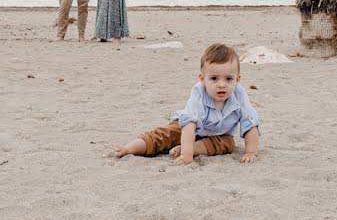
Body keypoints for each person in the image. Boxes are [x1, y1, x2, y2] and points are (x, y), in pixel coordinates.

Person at [111, 43, 260, 164]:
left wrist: (249, 152)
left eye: (228, 79)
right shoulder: (199, 92)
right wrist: (186, 156)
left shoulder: (239, 94)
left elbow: (250, 123)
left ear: (237, 79)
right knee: (164, 135)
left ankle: (189, 148)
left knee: (228, 144)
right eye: (214, 78)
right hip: (188, 127)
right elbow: (189, 125)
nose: (221, 85)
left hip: (217, 135)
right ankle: (129, 148)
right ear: (202, 79)